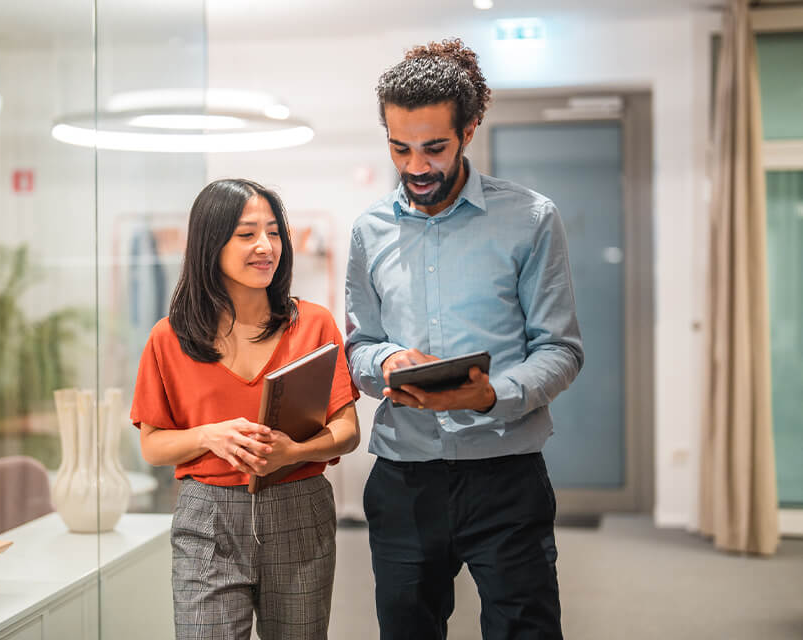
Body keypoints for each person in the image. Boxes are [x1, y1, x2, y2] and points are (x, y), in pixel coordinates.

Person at [345, 39, 584, 640]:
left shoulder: (530, 218)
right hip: (403, 478)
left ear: (469, 130)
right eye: (400, 148)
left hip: (506, 474)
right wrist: (388, 359)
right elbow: (359, 346)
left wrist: (488, 396)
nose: (416, 166)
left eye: (434, 148)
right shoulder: (369, 230)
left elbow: (561, 348)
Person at [131, 178, 360, 640]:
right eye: (247, 233)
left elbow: (347, 431)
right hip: (206, 517)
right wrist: (207, 436)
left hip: (300, 510)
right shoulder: (168, 337)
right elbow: (153, 446)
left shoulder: (313, 324)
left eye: (274, 232)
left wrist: (291, 452)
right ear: (210, 243)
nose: (265, 246)